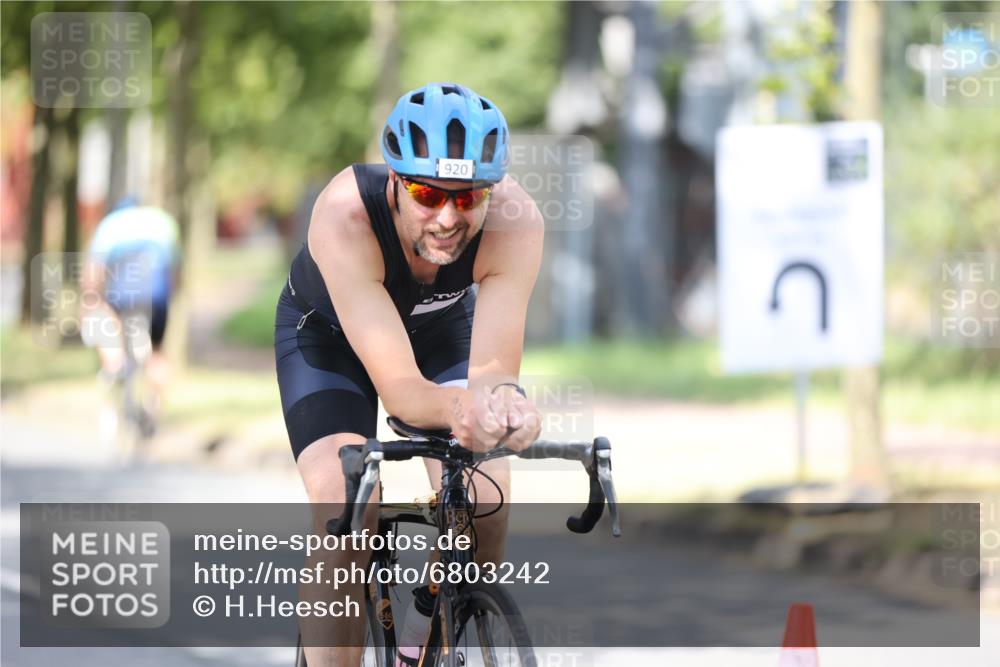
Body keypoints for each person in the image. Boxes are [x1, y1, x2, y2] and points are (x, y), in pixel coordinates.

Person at [274, 82, 544, 667]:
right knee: (347, 505)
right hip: (329, 341)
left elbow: (494, 376)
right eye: (426, 193)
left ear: (492, 191)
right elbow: (401, 391)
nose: (447, 217)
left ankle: (426, 643)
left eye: (468, 198)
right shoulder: (345, 214)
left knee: (487, 497)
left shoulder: (516, 222)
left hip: (439, 330)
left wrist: (508, 408)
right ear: (395, 180)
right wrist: (465, 410)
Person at [80, 197, 180, 421]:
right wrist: (170, 297)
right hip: (157, 296)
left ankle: (115, 365)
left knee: (103, 318)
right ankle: (154, 405)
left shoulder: (110, 225)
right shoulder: (162, 222)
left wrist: (90, 301)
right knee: (156, 352)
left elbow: (93, 272)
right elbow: (175, 270)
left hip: (123, 294)